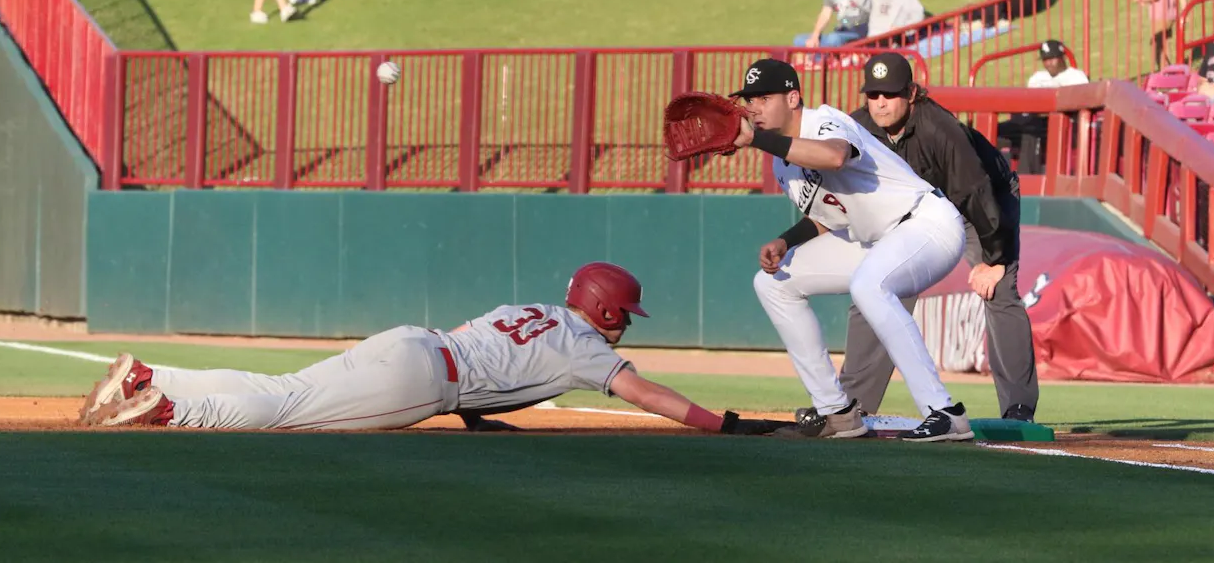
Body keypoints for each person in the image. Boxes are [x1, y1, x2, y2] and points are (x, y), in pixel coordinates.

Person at [79, 262, 777, 436]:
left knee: (284, 383)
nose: (625, 325)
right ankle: (166, 408)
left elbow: (491, 359)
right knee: (286, 412)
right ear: (603, 309)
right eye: (622, 314)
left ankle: (149, 373)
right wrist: (721, 422)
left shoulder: (532, 310)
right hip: (421, 381)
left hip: (414, 342)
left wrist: (478, 418)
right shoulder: (585, 345)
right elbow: (645, 393)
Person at [728, 57, 975, 442]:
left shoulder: (827, 120)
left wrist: (754, 139)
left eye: (763, 97)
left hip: (928, 224)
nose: (753, 107)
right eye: (749, 99)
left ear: (793, 97)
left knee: (869, 286)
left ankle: (943, 411)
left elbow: (834, 156)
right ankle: (837, 412)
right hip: (875, 239)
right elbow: (831, 216)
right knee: (772, 283)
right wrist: (786, 240)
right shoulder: (782, 164)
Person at [844, 52, 1038, 422]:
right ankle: (853, 404)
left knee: (998, 290)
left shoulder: (939, 129)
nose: (881, 102)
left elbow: (978, 194)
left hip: (980, 204)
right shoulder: (858, 128)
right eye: (873, 94)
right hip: (917, 212)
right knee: (876, 286)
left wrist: (994, 261)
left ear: (912, 92)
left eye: (891, 93)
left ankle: (1018, 409)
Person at [998, 40, 1090, 173]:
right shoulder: (1037, 77)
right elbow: (1028, 103)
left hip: (1063, 123)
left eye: (1052, 58)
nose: (1048, 63)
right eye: (1045, 59)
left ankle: (1026, 180)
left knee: (1031, 132)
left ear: (1061, 57)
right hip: (1033, 120)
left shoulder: (1076, 77)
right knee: (994, 132)